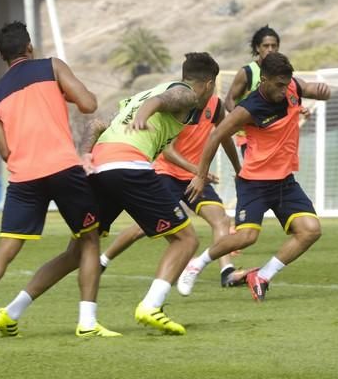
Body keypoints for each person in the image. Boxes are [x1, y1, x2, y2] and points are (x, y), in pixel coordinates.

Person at [0, 21, 119, 344]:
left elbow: (4, 151)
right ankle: (87, 320)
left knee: (7, 246)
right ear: (29, 47)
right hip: (62, 168)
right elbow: (88, 104)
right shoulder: (51, 66)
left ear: (2, 56)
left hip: (23, 176)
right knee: (89, 240)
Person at [79, 52, 220, 335]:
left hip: (100, 165)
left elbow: (94, 124)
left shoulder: (140, 94)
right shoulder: (187, 94)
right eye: (213, 87)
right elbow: (160, 103)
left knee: (79, 248)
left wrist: (83, 154)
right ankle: (151, 306)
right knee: (186, 239)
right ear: (208, 84)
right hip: (130, 165)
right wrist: (145, 115)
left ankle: (13, 310)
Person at [177, 52, 331, 302]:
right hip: (255, 183)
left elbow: (310, 88)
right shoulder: (249, 108)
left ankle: (262, 276)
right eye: (279, 85)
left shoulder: (291, 85)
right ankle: (197, 264)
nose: (284, 90)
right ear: (264, 80)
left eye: (286, 84)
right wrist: (200, 175)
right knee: (247, 237)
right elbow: (216, 136)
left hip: (285, 181)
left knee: (310, 230)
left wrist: (323, 91)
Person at [99, 92, 250, 288]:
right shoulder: (179, 103)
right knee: (141, 227)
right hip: (166, 173)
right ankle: (102, 261)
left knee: (220, 219)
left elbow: (224, 137)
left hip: (194, 178)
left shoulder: (216, 106)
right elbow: (168, 152)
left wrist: (238, 169)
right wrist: (198, 171)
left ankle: (226, 271)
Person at [224, 25, 281, 156]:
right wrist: (244, 119)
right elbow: (228, 101)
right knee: (257, 175)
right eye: (266, 46)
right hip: (250, 137)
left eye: (274, 46)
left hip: (274, 135)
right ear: (257, 48)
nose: (270, 50)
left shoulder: (281, 72)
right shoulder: (247, 72)